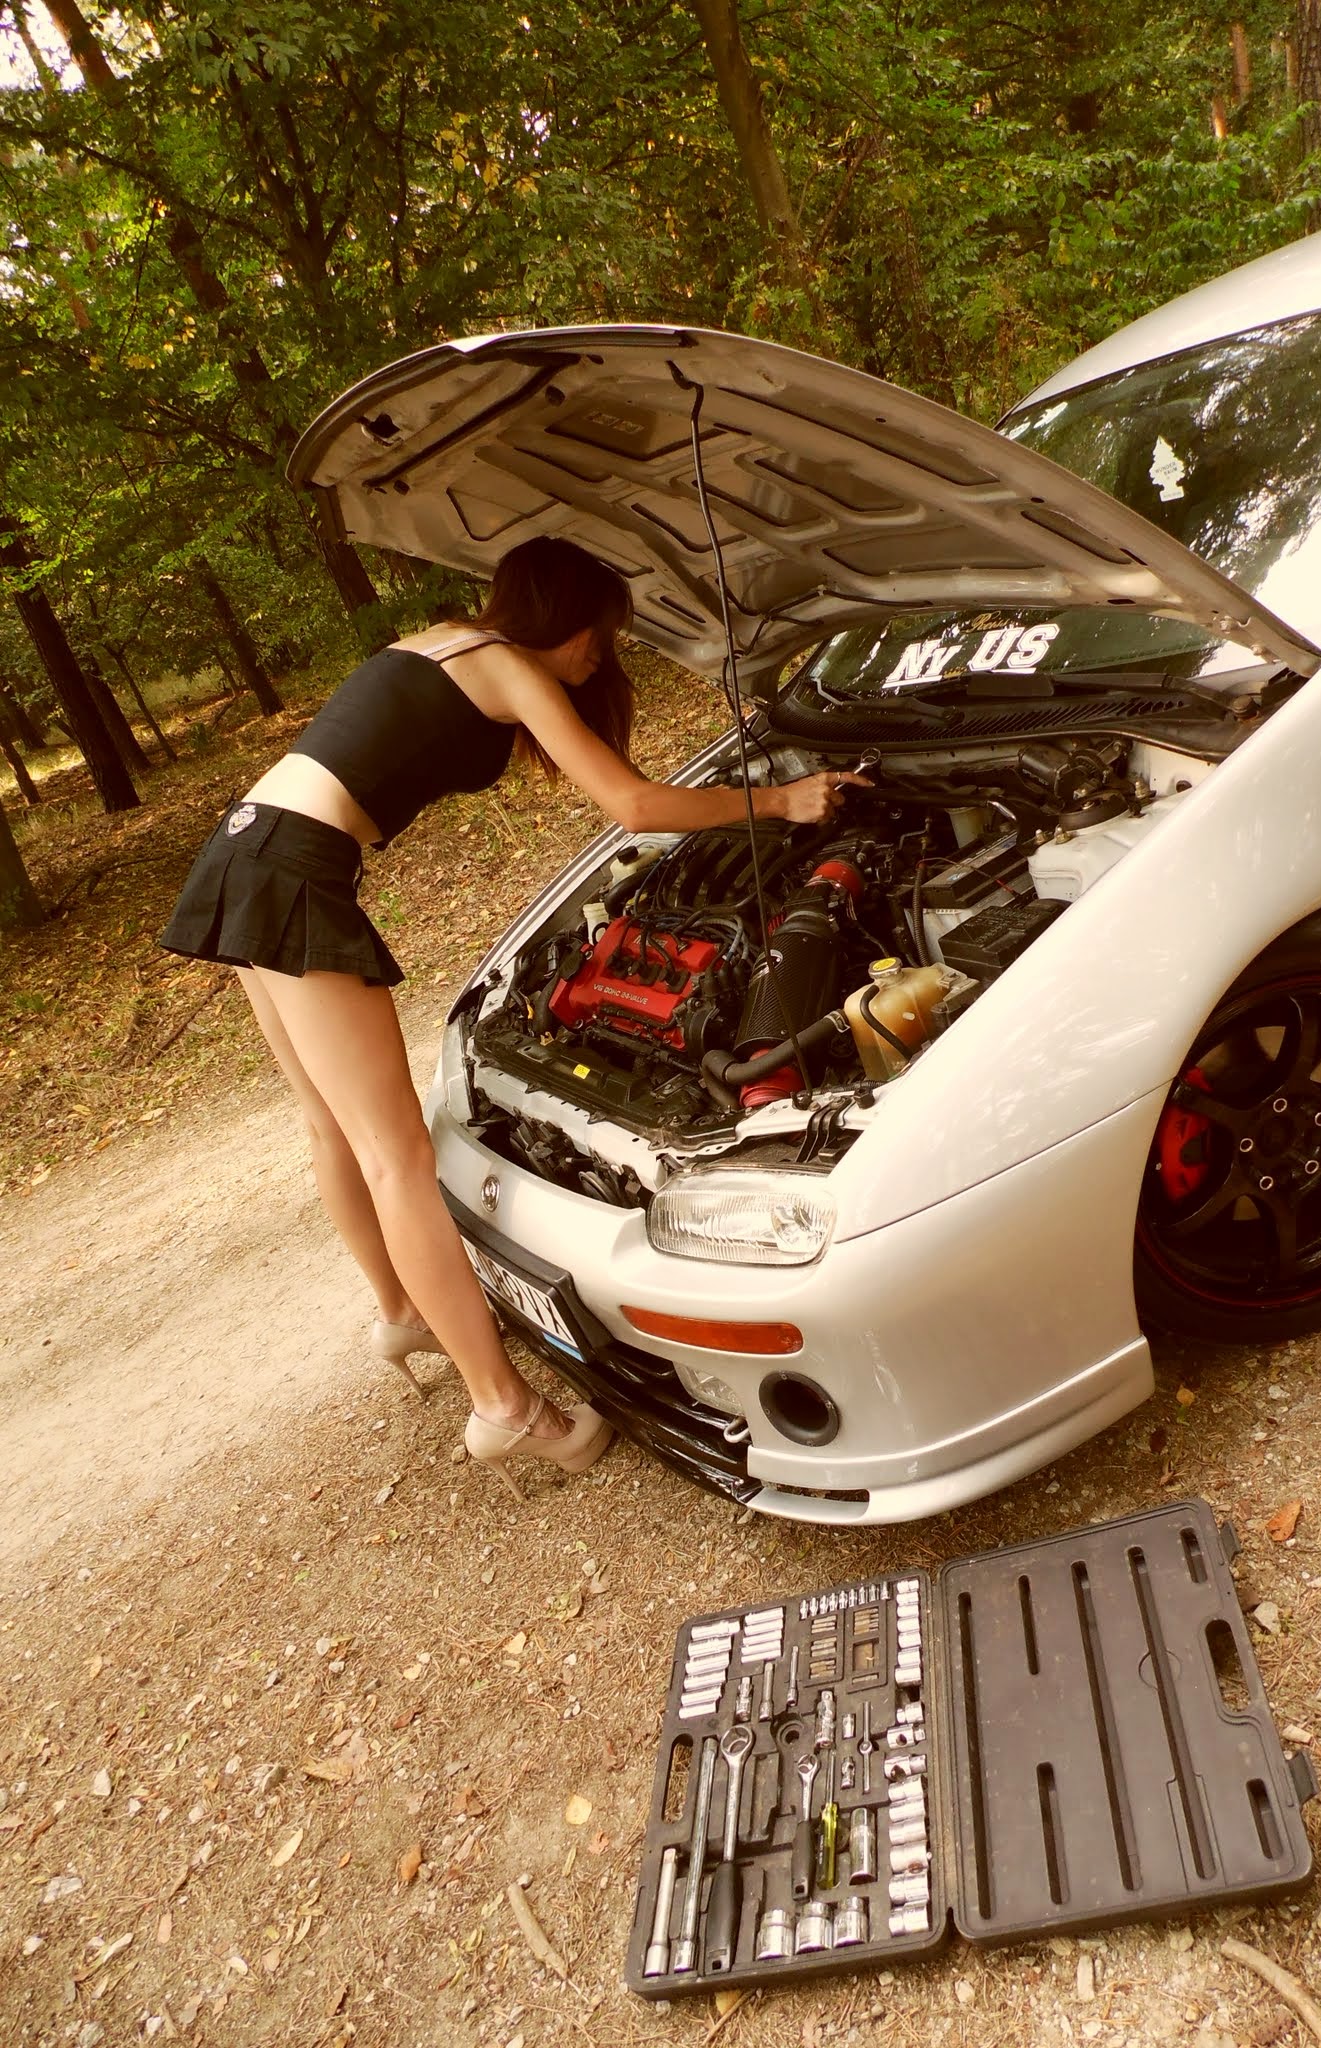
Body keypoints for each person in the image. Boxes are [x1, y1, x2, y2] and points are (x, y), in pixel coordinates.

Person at [160, 535, 866, 1493]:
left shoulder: (440, 641)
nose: (599, 659)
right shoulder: (508, 666)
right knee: (395, 1155)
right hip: (292, 869)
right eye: (600, 637)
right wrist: (781, 799)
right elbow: (630, 805)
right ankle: (505, 1408)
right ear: (564, 620)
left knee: (331, 1128)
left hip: (245, 847)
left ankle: (403, 1313)